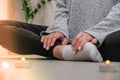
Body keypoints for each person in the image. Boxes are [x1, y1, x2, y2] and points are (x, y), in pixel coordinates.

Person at [0, 0, 120, 62]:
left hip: (105, 37)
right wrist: (60, 29)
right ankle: (61, 51)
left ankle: (73, 51)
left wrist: (95, 33)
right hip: (67, 39)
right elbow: (62, 7)